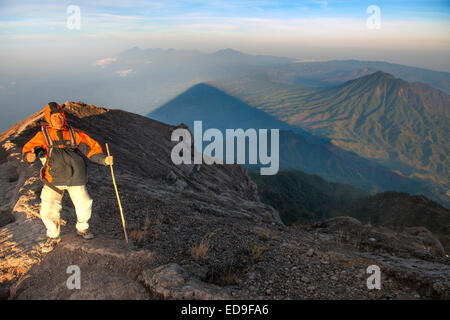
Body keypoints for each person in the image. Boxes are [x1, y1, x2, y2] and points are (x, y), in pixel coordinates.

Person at [22, 102, 113, 253]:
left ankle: (82, 228)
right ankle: (52, 235)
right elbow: (32, 150)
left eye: (60, 116)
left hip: (75, 177)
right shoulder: (43, 136)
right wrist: (29, 156)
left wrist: (104, 159)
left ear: (64, 117)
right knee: (48, 208)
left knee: (84, 203)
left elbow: (90, 148)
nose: (58, 119)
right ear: (48, 118)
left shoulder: (73, 133)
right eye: (54, 116)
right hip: (53, 179)